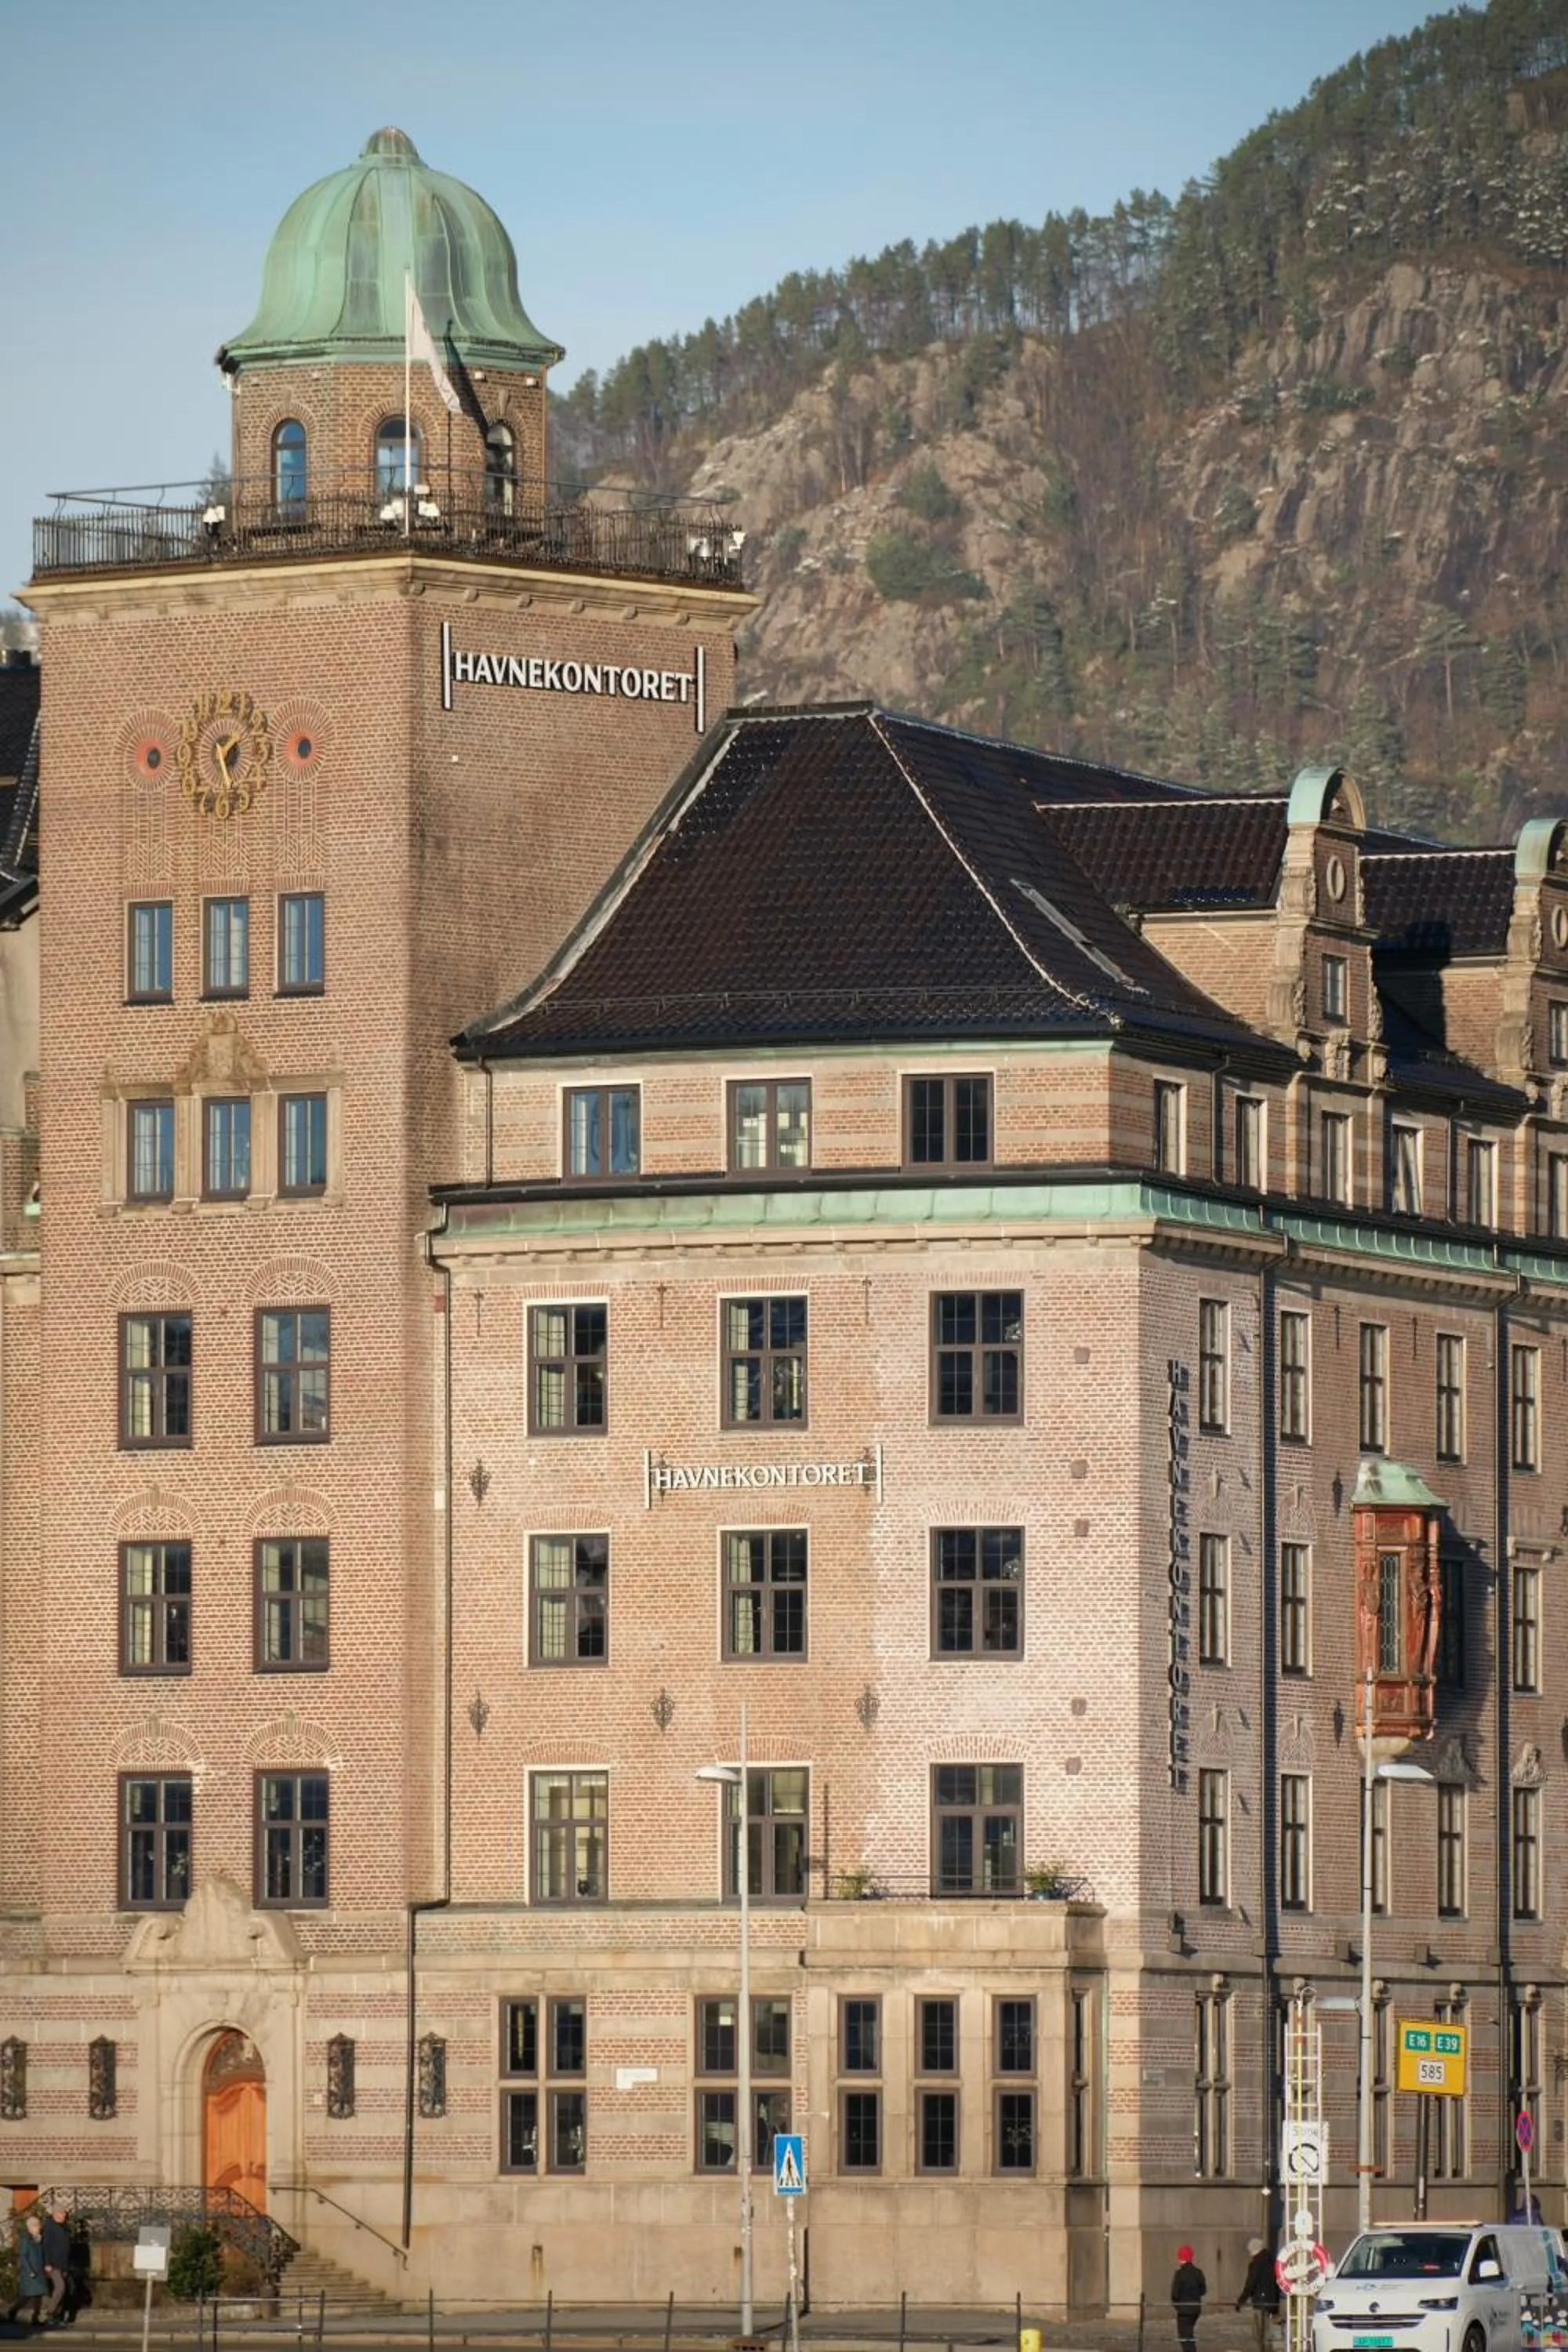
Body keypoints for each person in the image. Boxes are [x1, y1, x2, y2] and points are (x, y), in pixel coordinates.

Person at [1236, 2238, 1281, 2352]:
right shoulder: (1272, 2261)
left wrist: (1241, 2301)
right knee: (1267, 2334)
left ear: (1253, 2250)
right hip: (1272, 2302)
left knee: (1260, 2335)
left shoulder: (1256, 2263)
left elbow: (1251, 2284)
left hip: (1261, 2303)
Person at [6, 2216, 49, 2328]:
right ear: (29, 2228)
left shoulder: (39, 2239)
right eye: (35, 2226)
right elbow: (23, 2257)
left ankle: (35, 2318)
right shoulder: (26, 2240)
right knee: (26, 2297)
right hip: (30, 2273)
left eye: (38, 2226)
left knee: (38, 2296)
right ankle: (13, 2311)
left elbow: (42, 2254)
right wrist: (29, 2270)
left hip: (39, 2271)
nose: (38, 2228)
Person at [39, 2209, 71, 2328]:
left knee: (62, 2291)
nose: (64, 2215)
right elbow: (46, 2246)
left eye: (64, 2214)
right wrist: (47, 2263)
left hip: (63, 2264)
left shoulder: (64, 2228)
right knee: (60, 2287)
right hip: (53, 2264)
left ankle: (56, 2316)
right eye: (61, 2213)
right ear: (55, 2214)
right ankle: (48, 2312)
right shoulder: (50, 2228)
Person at [1172, 2245, 1207, 2352]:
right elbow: (1203, 2290)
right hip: (1196, 2309)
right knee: (1189, 2334)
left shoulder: (1179, 2274)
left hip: (1184, 2310)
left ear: (1180, 2258)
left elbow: (1175, 2294)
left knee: (1185, 2338)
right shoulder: (1198, 2272)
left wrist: (1178, 2306)